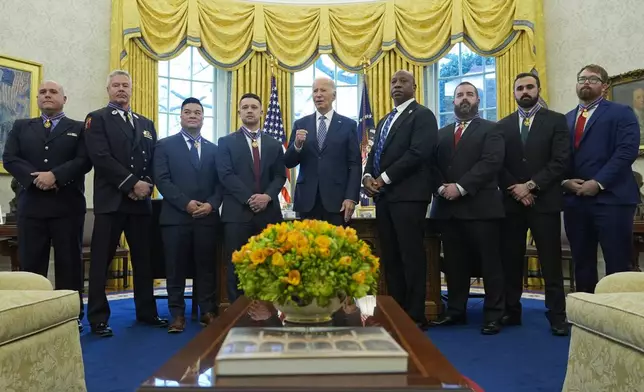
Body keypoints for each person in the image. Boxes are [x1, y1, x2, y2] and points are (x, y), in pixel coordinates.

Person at [2, 80, 91, 331]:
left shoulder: (79, 128)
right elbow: (9, 158)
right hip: (32, 207)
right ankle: (33, 317)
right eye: (43, 92)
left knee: (69, 265)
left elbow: (84, 160)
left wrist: (55, 176)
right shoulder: (21, 127)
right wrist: (36, 178)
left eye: (53, 92)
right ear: (37, 99)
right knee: (31, 264)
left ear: (65, 98)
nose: (47, 95)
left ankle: (71, 316)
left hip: (68, 207)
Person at [84, 70, 167, 337]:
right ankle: (98, 318)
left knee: (144, 261)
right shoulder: (96, 119)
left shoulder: (146, 123)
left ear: (132, 89)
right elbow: (101, 157)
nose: (121, 89)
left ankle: (147, 312)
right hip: (112, 202)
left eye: (125, 85)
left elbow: (155, 160)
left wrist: (146, 185)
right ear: (107, 89)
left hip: (141, 203)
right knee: (101, 261)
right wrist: (132, 183)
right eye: (116, 85)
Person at [362, 70, 438, 328]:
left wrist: (382, 178)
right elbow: (374, 153)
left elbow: (418, 153)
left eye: (403, 81)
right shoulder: (385, 120)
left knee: (411, 256)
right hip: (385, 199)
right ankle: (396, 312)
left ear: (415, 87)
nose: (396, 85)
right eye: (393, 81)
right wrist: (367, 178)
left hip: (409, 198)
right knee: (391, 257)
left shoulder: (422, 115)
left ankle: (415, 315)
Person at [429, 81, 505, 335]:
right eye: (459, 95)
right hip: (448, 210)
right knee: (454, 264)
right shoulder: (440, 134)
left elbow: (491, 163)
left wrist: (460, 187)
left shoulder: (492, 130)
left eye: (469, 94)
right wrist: (440, 188)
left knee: (490, 263)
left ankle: (494, 314)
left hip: (481, 208)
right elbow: (430, 166)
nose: (464, 98)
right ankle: (456, 311)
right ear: (453, 101)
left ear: (477, 100)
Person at [497, 73, 570, 336]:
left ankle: (557, 316)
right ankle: (511, 311)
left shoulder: (556, 121)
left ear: (538, 89)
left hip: (544, 202)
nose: (525, 91)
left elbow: (561, 161)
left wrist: (530, 186)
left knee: (550, 262)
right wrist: (516, 190)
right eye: (520, 88)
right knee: (511, 261)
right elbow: (498, 164)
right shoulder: (502, 126)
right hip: (512, 204)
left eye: (529, 87)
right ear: (513, 92)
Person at [562, 64, 640, 294]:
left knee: (617, 264)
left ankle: (616, 316)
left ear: (605, 87)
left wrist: (597, 183)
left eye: (593, 79)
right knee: (582, 263)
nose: (586, 82)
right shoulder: (565, 119)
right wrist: (564, 182)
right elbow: (558, 158)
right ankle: (586, 316)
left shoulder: (621, 112)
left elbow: (626, 152)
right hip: (575, 202)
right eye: (581, 78)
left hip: (612, 200)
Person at [153, 97, 222, 333]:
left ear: (203, 118)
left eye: (197, 112)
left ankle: (207, 311)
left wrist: (212, 205)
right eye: (187, 112)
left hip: (207, 219)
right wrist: (186, 203)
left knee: (206, 267)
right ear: (180, 117)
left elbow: (221, 183)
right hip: (175, 218)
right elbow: (162, 180)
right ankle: (177, 315)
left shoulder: (215, 150)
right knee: (175, 268)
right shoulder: (164, 146)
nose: (192, 115)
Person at [217, 93, 286, 302]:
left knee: (271, 262)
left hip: (269, 214)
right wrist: (250, 199)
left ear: (261, 112)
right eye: (245, 107)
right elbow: (225, 175)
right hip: (237, 214)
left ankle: (270, 310)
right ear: (239, 112)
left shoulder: (274, 144)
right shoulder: (226, 142)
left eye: (254, 107)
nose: (249, 110)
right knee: (238, 264)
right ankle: (238, 313)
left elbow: (280, 176)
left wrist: (266, 197)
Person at [284, 77, 361, 225]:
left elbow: (355, 164)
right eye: (315, 91)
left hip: (337, 202)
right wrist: (297, 145)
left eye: (323, 90)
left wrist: (351, 197)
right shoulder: (301, 124)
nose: (318, 94)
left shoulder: (348, 125)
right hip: (307, 201)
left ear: (334, 95)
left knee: (336, 246)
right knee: (306, 246)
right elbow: (289, 162)